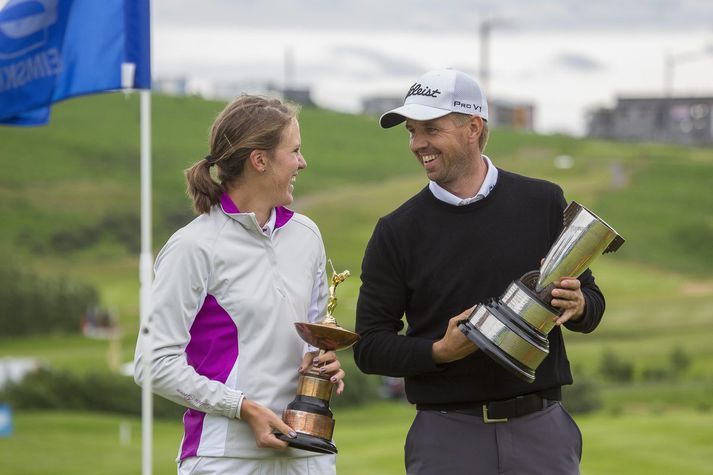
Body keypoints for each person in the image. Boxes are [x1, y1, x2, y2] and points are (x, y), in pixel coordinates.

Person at [353, 69, 605, 474]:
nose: (418, 144)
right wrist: (439, 352)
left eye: (430, 129)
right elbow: (368, 346)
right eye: (412, 132)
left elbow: (591, 303)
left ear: (473, 128)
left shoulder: (542, 201)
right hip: (446, 435)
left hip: (541, 428)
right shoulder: (396, 231)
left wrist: (579, 304)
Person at [134, 95, 345, 475]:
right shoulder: (193, 245)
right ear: (259, 160)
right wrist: (242, 407)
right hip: (225, 459)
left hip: (308, 457)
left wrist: (326, 362)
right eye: (294, 151)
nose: (302, 162)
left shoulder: (307, 235)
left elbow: (313, 340)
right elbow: (152, 363)